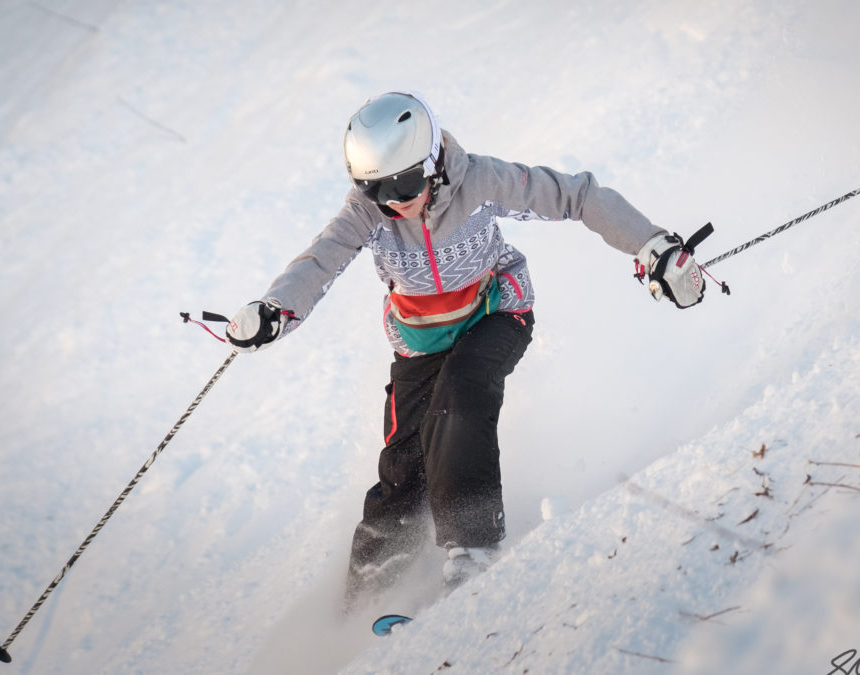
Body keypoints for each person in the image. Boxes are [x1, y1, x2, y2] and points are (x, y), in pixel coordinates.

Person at [225, 91, 706, 609]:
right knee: (404, 470)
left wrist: (654, 246)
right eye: (375, 188)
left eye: (404, 183)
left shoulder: (478, 181)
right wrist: (275, 310)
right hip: (420, 343)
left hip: (497, 312)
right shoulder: (368, 214)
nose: (394, 201)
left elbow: (578, 196)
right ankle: (365, 601)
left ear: (431, 161)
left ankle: (472, 549)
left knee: (459, 397)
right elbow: (319, 263)